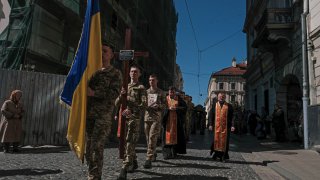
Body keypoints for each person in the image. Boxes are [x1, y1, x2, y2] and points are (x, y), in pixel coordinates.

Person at [85, 42, 123, 180]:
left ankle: (94, 177)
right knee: (88, 149)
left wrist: (94, 93)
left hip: (103, 116)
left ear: (112, 55)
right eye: (100, 50)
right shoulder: (91, 71)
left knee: (96, 147)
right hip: (89, 114)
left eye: (105, 51)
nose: (102, 53)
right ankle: (92, 172)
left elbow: (114, 93)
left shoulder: (115, 73)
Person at [117, 66, 147, 180]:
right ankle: (134, 161)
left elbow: (144, 104)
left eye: (136, 72)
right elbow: (116, 103)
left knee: (129, 141)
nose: (133, 73)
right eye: (132, 71)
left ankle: (124, 168)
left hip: (134, 118)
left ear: (139, 74)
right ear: (129, 73)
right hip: (123, 118)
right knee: (124, 142)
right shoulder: (125, 86)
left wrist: (131, 106)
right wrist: (121, 95)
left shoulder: (141, 88)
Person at [143, 74, 166, 169]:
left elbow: (165, 105)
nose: (151, 82)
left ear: (157, 81)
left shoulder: (161, 92)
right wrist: (145, 105)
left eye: (153, 80)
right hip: (147, 117)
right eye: (150, 80)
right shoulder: (145, 92)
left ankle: (148, 158)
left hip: (156, 118)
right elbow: (141, 103)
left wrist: (159, 106)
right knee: (148, 138)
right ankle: (154, 152)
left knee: (152, 137)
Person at [161, 86, 187, 159]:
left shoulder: (179, 99)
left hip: (176, 122)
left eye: (173, 92)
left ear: (175, 92)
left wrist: (176, 108)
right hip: (167, 121)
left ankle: (174, 152)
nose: (171, 93)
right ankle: (166, 154)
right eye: (170, 92)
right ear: (168, 92)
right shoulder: (165, 99)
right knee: (166, 137)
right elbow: (161, 107)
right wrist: (168, 109)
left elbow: (185, 107)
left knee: (176, 137)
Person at [208, 92, 234, 162]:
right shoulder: (214, 105)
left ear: (225, 97)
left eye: (222, 96)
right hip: (216, 127)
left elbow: (232, 117)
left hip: (226, 127)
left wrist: (232, 125)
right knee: (216, 141)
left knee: (224, 142)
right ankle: (216, 154)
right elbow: (211, 115)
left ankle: (223, 156)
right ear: (218, 97)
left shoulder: (229, 106)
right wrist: (210, 124)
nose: (221, 97)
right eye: (220, 96)